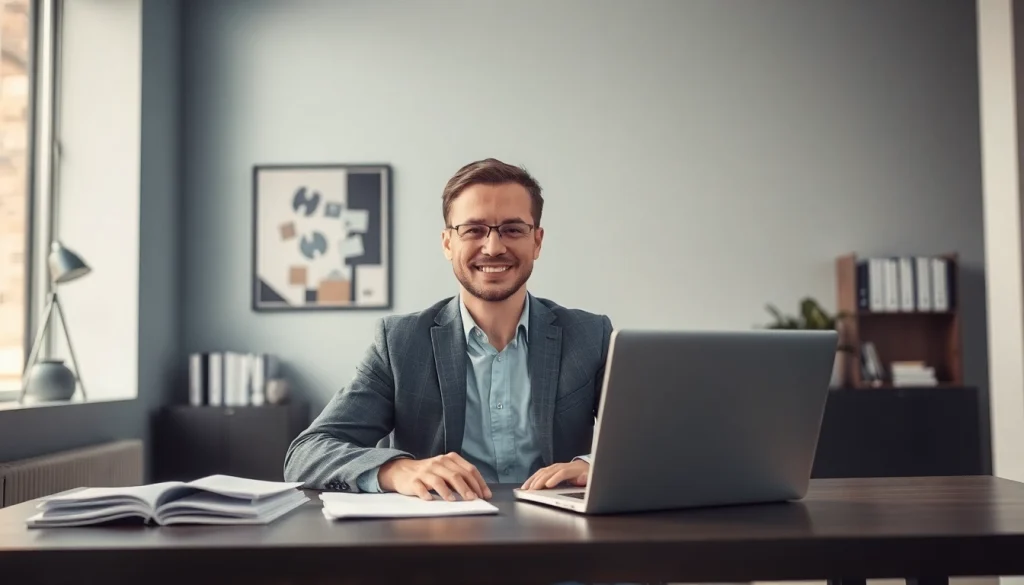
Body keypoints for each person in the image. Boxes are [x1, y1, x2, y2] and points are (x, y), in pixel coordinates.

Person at [283, 157, 613, 501]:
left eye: (513, 229)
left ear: (537, 241)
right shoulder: (399, 343)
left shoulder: (591, 336)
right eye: (473, 230)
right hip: (440, 538)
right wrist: (397, 470)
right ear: (447, 243)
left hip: (562, 537)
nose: (493, 247)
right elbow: (307, 453)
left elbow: (654, 440)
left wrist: (594, 464)